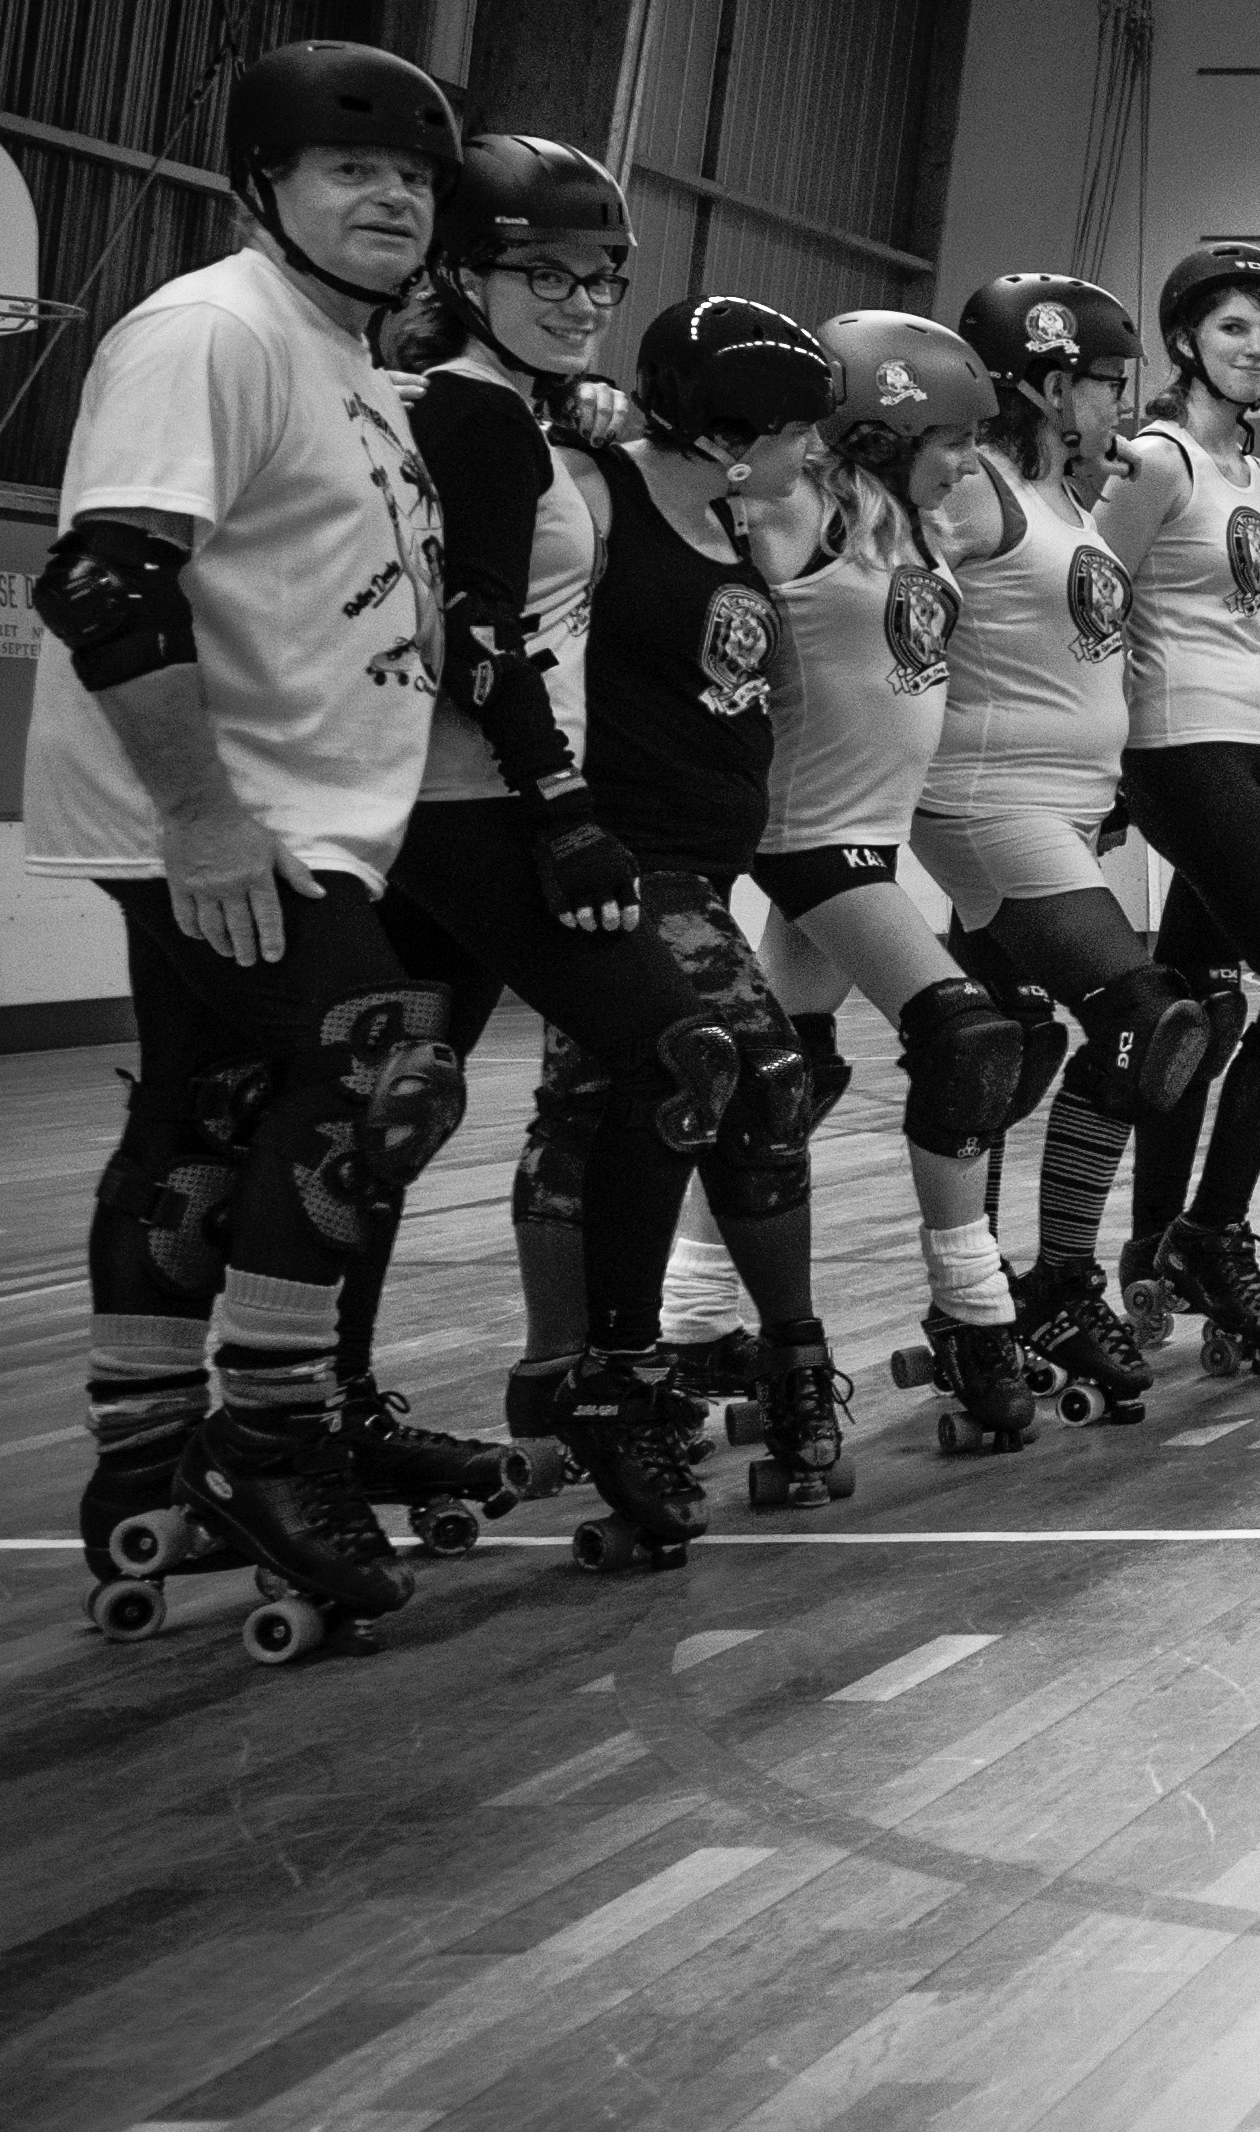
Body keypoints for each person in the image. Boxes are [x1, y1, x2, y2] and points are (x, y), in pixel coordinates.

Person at [33, 39, 469, 1651]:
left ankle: (145, 1459)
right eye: (351, 170)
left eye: (412, 177)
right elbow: (105, 584)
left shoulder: (342, 355)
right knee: (380, 1065)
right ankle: (271, 1443)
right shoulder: (212, 331)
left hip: (291, 808)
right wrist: (204, 817)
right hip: (226, 812)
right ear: (260, 188)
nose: (391, 199)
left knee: (208, 1107)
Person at [373, 133, 740, 1541]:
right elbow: (473, 630)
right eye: (548, 274)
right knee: (676, 1053)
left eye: (603, 279)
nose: (583, 301)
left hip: (453, 806)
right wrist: (564, 807)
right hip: (476, 807)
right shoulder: (472, 414)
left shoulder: (495, 409)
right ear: (463, 274)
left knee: (389, 1108)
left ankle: (326, 1404)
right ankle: (611, 1380)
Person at [518, 293, 853, 1547]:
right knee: (734, 1077)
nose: (807, 448)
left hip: (697, 868)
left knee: (619, 1101)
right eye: (790, 429)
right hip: (611, 858)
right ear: (723, 431)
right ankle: (625, 1368)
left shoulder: (734, 512)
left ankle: (616, 1371)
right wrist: (568, 412)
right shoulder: (595, 493)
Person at [915, 272, 1213, 1423]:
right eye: (1104, 384)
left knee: (1012, 1043)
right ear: (1045, 384)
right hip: (989, 802)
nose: (1119, 408)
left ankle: (979, 1300)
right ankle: (1053, 1283)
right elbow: (876, 586)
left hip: (1060, 809)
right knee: (1144, 1021)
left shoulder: (1058, 496)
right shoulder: (976, 487)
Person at [750, 310, 1040, 1447]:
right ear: (881, 432)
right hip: (806, 832)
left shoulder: (913, 526)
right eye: (952, 439)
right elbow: (670, 495)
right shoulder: (798, 508)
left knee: (783, 1080)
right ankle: (974, 1309)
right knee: (967, 1041)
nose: (967, 461)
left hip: (866, 835)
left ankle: (693, 1316)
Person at [1104, 243, 1260, 1376]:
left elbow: (1248, 625)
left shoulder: (1255, 474)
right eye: (1233, 328)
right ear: (1183, 342)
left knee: (1202, 1002)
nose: (1256, 347)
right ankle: (1212, 1233)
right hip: (1178, 742)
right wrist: (1100, 764)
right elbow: (1090, 602)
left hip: (1251, 745)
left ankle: (1152, 1245)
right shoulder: (1154, 460)